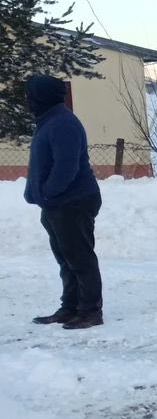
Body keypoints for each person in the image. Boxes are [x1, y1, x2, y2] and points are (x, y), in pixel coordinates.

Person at [23, 74, 103, 330]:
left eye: (31, 95)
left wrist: (48, 192)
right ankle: (70, 308)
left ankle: (90, 311)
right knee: (66, 259)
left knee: (80, 258)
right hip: (57, 203)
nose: (28, 100)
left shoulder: (62, 123)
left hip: (73, 202)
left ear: (42, 96)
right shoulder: (49, 121)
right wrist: (33, 191)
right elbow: (41, 163)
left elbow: (65, 167)